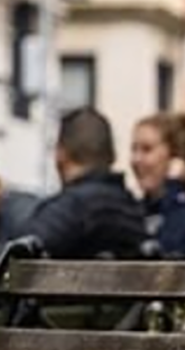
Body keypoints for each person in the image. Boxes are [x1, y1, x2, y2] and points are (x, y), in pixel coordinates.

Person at [18, 108, 147, 261]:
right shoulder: (135, 210)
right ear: (111, 155)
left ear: (61, 154)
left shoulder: (68, 210)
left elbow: (11, 261)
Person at [129, 112, 185, 261]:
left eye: (147, 149)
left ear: (175, 156)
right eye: (134, 149)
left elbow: (175, 253)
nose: (136, 159)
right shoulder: (136, 209)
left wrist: (175, 188)